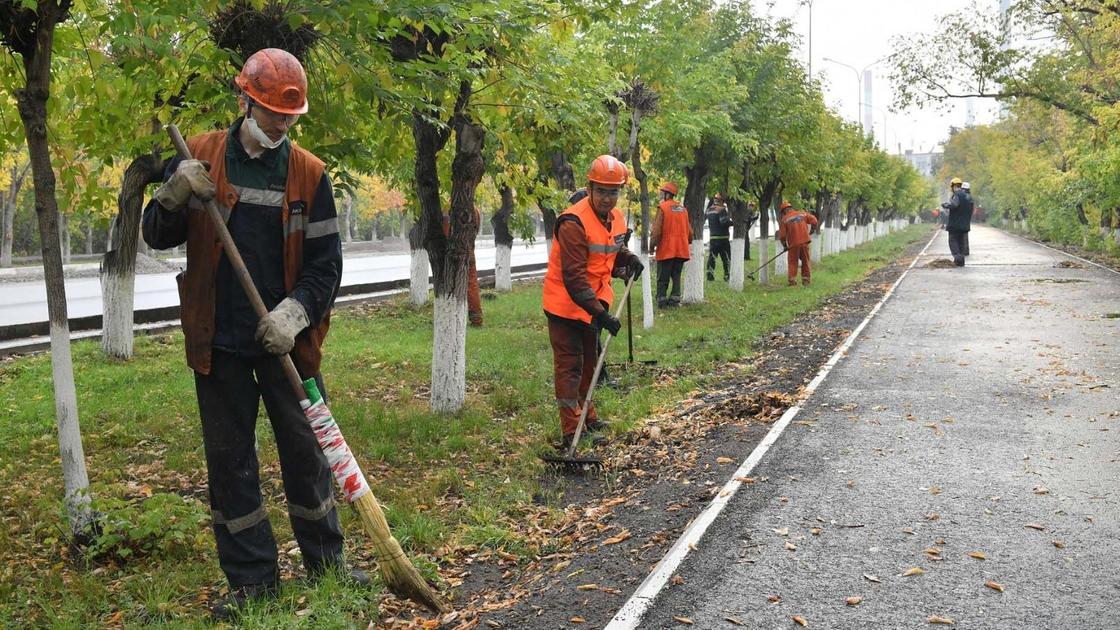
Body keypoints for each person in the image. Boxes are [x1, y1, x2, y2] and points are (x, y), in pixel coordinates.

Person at [141, 48, 364, 620]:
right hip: (219, 344)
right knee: (231, 464)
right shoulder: (201, 156)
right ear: (245, 101)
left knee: (308, 454)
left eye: (290, 118)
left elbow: (325, 268)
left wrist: (293, 315)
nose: (281, 125)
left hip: (286, 345)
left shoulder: (310, 174)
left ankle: (326, 566)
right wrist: (172, 195)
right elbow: (156, 235)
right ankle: (253, 583)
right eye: (272, 114)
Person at [542, 155, 642, 450]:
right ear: (590, 187)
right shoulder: (573, 221)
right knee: (570, 366)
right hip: (565, 306)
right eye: (602, 191)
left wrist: (629, 259)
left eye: (613, 192)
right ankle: (571, 429)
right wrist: (601, 315)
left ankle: (588, 417)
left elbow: (611, 250)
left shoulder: (617, 218)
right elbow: (574, 278)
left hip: (594, 304)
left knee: (589, 363)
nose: (608, 198)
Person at [650, 182, 692, 307]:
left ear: (667, 194)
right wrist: (686, 242)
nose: (661, 194)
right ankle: (674, 300)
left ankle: (662, 301)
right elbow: (690, 232)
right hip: (681, 250)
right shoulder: (683, 210)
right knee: (676, 276)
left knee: (663, 277)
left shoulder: (663, 208)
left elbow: (656, 231)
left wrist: (651, 245)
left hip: (667, 249)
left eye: (662, 192)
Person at [442, 207, 483, 326]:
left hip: (454, 255)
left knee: (450, 284)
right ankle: (476, 318)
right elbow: (475, 232)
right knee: (472, 285)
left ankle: (450, 316)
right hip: (470, 252)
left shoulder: (448, 211)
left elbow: (445, 234)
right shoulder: (475, 210)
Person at [777, 200, 819, 286]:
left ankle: (792, 281)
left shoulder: (784, 219)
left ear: (784, 211)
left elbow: (782, 236)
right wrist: (812, 230)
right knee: (806, 261)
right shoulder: (802, 214)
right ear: (790, 208)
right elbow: (814, 220)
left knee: (792, 262)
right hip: (805, 242)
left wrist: (785, 246)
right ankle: (806, 281)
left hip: (793, 244)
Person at [940, 177, 973, 266]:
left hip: (955, 225)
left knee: (953, 241)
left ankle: (957, 258)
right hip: (965, 225)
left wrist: (946, 205)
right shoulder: (968, 197)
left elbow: (954, 205)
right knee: (961, 243)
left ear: (954, 186)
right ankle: (960, 262)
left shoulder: (957, 195)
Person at [705, 193, 731, 282]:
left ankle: (710, 276)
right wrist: (733, 222)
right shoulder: (721, 209)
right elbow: (723, 222)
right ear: (721, 201)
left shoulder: (709, 210)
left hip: (713, 238)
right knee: (726, 259)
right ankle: (727, 276)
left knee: (712, 259)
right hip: (723, 239)